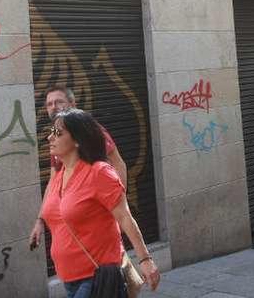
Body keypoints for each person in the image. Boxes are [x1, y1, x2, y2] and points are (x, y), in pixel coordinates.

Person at [35, 108, 160, 297]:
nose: (50, 138)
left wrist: (145, 260)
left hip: (96, 276)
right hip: (68, 279)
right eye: (51, 132)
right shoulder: (59, 177)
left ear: (77, 140)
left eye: (58, 133)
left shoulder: (99, 172)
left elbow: (125, 217)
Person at [30, 85, 127, 246]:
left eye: (58, 102)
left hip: (97, 219)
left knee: (110, 264)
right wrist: (41, 219)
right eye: (49, 104)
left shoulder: (89, 130)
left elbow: (119, 164)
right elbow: (54, 181)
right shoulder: (56, 137)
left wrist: (119, 210)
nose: (53, 107)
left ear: (72, 104)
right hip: (74, 221)